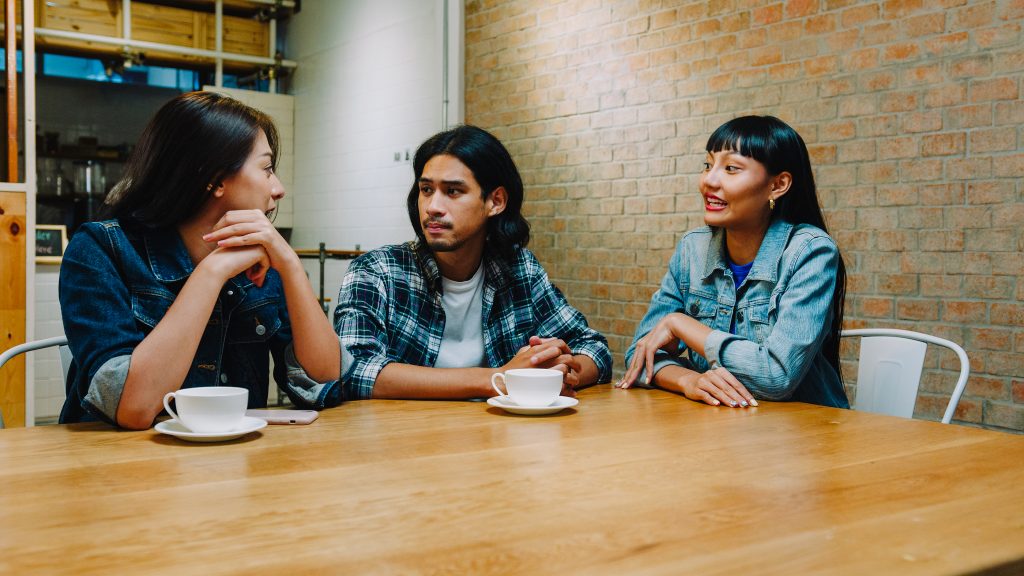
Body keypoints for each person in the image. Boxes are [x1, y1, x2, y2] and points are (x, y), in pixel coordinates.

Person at [59, 91, 342, 429]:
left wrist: (291, 266)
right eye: (266, 169)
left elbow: (324, 379)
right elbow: (132, 408)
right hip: (116, 467)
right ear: (215, 179)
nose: (278, 188)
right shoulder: (100, 249)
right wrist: (213, 271)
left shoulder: (262, 260)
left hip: (231, 465)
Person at [334, 125, 612, 400]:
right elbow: (351, 370)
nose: (433, 207)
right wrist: (499, 378)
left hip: (497, 438)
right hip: (409, 438)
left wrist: (562, 372)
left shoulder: (518, 270)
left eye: (453, 191)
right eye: (426, 189)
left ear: (496, 201)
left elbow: (593, 347)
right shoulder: (378, 271)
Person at [618, 115, 849, 409]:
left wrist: (680, 324)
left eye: (730, 168)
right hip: (722, 429)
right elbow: (640, 352)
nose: (709, 181)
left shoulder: (810, 252)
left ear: (778, 185)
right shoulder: (693, 248)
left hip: (807, 436)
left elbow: (777, 376)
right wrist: (689, 381)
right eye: (708, 164)